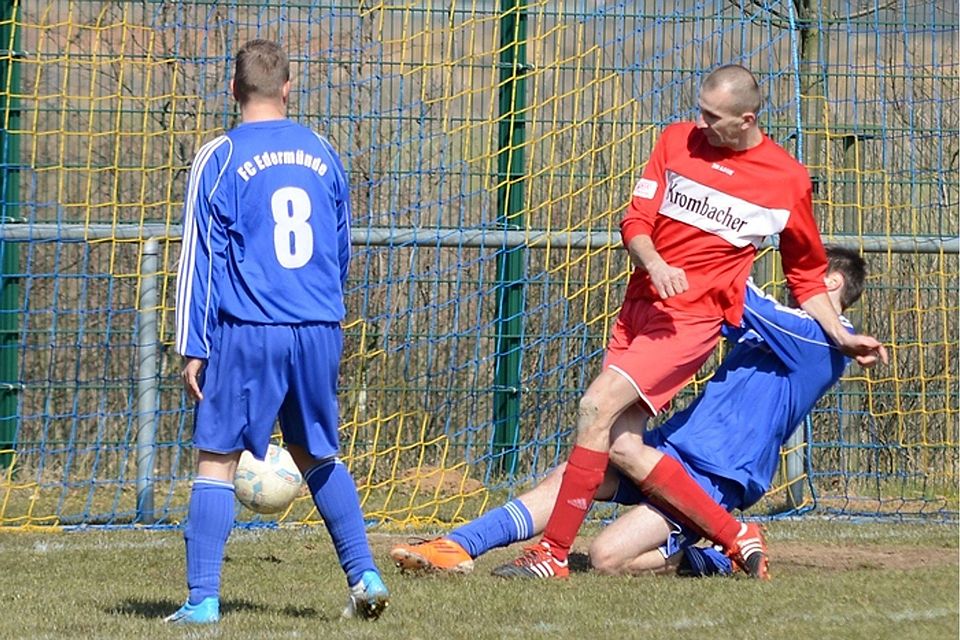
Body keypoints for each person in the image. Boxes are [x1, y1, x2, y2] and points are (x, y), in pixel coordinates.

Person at [485, 64, 886, 580]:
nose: (700, 122)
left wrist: (842, 337)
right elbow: (635, 220)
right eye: (699, 109)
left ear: (746, 119)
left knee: (595, 405)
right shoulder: (677, 141)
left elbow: (806, 277)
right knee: (621, 447)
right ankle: (732, 533)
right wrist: (654, 263)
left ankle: (552, 554)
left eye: (712, 116)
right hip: (640, 307)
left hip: (691, 323)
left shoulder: (786, 180)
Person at [391, 246, 867, 579]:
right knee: (574, 472)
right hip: (672, 448)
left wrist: (708, 242)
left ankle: (716, 556)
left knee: (606, 558)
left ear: (832, 282)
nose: (794, 278)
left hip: (716, 476)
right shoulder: (787, 330)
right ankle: (459, 545)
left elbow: (738, 294)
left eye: (807, 272)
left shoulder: (822, 340)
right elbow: (712, 315)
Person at [167, 40, 388, 624]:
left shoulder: (218, 157)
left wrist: (193, 344)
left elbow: (200, 259)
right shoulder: (323, 151)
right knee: (317, 453)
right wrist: (320, 311)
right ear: (288, 88)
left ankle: (201, 600)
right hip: (318, 326)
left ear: (234, 91)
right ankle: (365, 574)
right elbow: (340, 249)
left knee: (215, 458)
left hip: (251, 328)